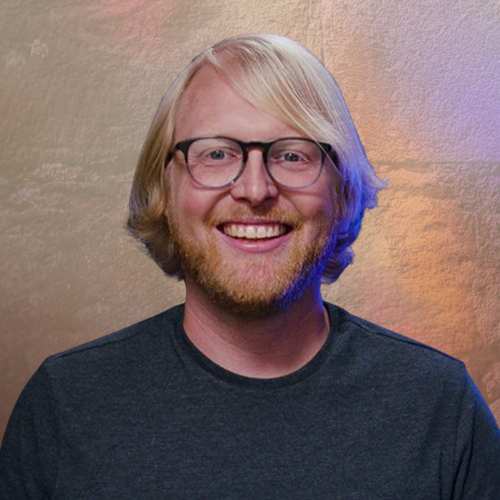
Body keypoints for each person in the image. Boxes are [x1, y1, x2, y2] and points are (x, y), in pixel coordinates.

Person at [1, 34, 498, 499]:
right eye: (216, 153)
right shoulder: (66, 404)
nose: (256, 190)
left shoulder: (439, 408)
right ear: (164, 190)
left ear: (341, 189)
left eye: (293, 155)